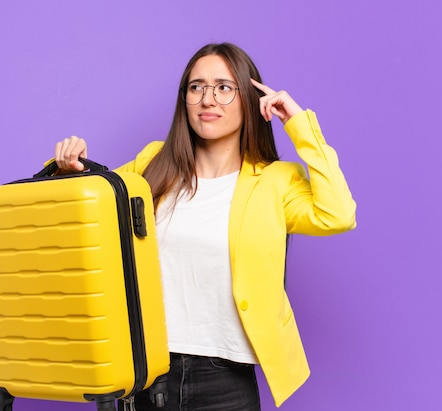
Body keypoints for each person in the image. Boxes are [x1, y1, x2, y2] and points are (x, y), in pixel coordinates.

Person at [53, 43, 357, 410]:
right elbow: (87, 209)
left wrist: (297, 122)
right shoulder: (154, 163)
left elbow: (338, 214)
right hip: (148, 373)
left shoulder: (276, 181)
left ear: (249, 98)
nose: (207, 99)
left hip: (225, 378)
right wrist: (69, 171)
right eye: (196, 87)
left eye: (224, 88)